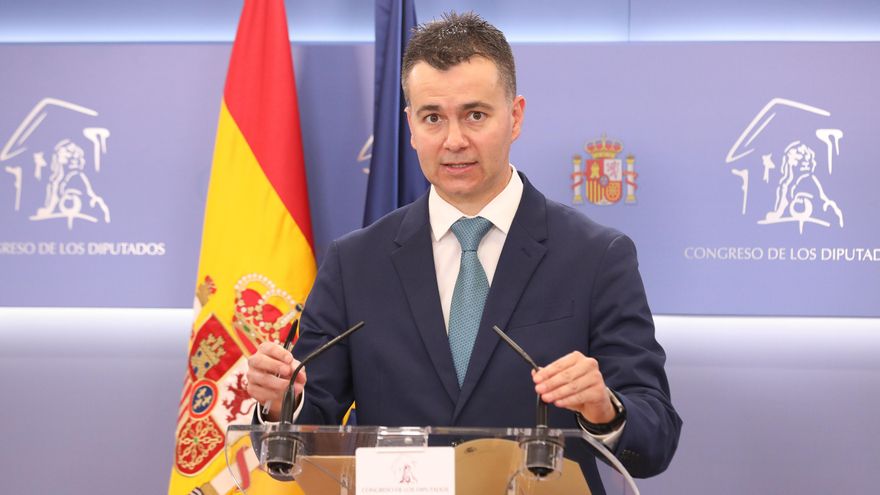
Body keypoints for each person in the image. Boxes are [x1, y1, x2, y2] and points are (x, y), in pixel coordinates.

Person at [247, 11, 681, 492]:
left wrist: (604, 409)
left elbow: (655, 435)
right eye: (433, 117)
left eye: (476, 115)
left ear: (514, 117)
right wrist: (279, 402)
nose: (454, 141)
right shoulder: (355, 263)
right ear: (410, 126)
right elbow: (310, 419)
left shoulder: (597, 256)